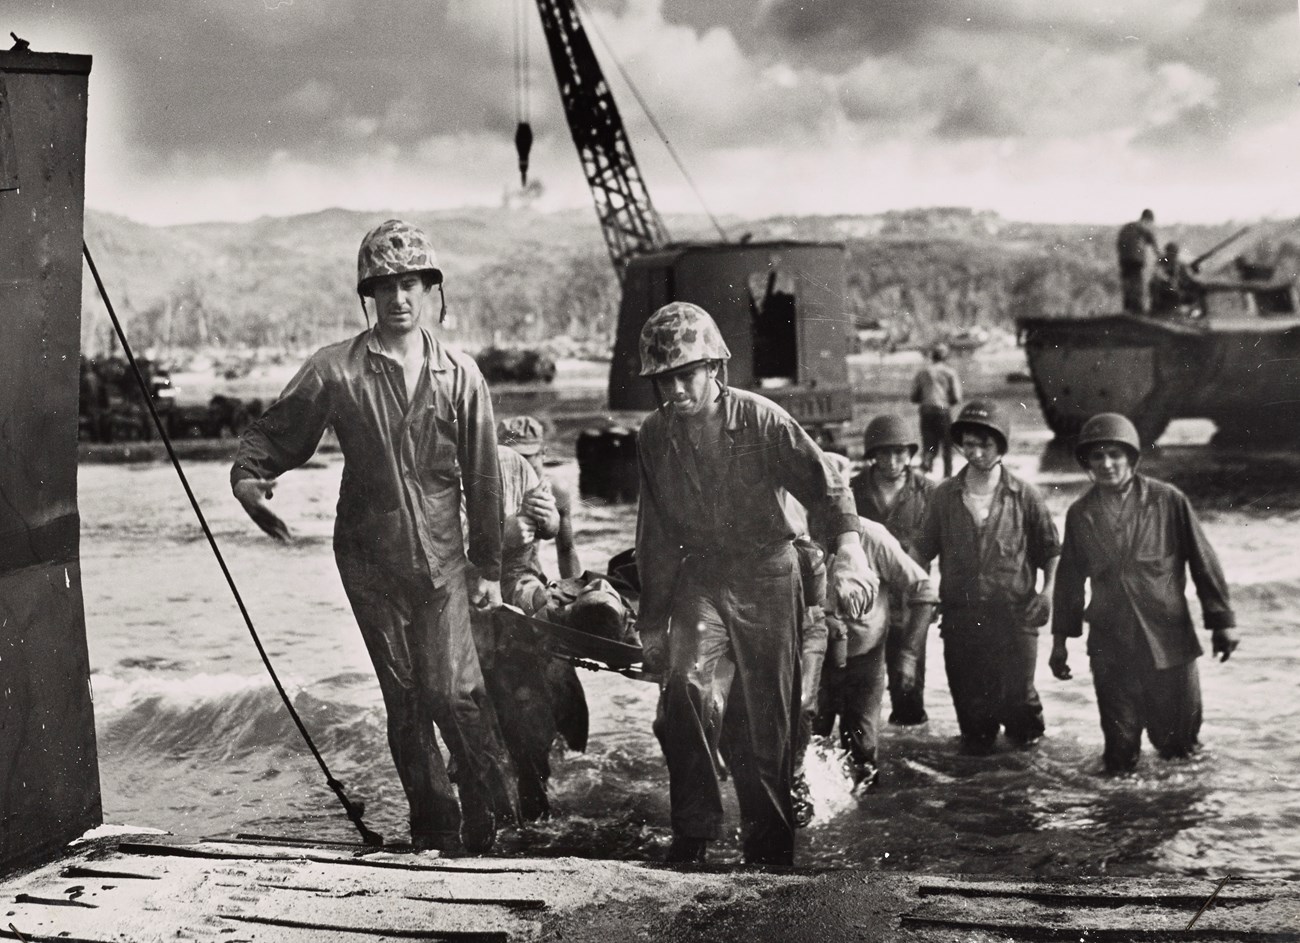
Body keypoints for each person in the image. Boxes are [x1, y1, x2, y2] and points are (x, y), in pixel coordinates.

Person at [231, 219, 517, 854]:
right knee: (407, 701)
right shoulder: (336, 370)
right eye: (384, 286)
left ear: (430, 289)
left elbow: (484, 479)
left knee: (454, 694)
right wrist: (249, 479)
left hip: (443, 561)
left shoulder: (462, 376)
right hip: (368, 562)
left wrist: (490, 568)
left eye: (410, 283)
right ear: (369, 294)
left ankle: (493, 822)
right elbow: (278, 433)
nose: (398, 298)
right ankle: (434, 831)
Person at [635, 301, 877, 866]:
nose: (675, 390)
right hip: (702, 576)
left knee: (769, 720)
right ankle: (694, 835)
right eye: (664, 380)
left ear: (714, 368)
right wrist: (650, 624)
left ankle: (769, 853)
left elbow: (828, 488)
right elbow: (655, 535)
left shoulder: (762, 420)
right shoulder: (654, 435)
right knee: (685, 687)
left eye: (686, 375)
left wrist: (848, 550)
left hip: (769, 574)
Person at [1050, 413, 1239, 773]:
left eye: (1115, 455)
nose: (1107, 464)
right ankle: (1123, 809)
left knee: (1180, 751)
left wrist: (1222, 622)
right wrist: (1060, 641)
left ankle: (1182, 810)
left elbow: (1203, 561)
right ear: (1087, 463)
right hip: (1111, 646)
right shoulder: (1080, 514)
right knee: (1119, 755)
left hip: (1169, 642)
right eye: (1097, 457)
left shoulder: (1168, 501)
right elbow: (1069, 581)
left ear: (1132, 458)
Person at [915, 400, 1060, 755]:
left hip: (1015, 619)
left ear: (1001, 447)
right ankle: (980, 783)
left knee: (1020, 707)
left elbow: (1052, 552)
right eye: (969, 444)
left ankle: (1029, 775)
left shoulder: (1025, 496)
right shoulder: (943, 496)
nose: (976, 453)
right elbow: (920, 552)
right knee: (972, 717)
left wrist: (1048, 594)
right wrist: (924, 592)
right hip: (961, 621)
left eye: (985, 444)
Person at [477, 442, 589, 822]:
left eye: (532, 456)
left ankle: (556, 754)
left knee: (549, 664)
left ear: (542, 456)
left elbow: (566, 550)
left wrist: (575, 604)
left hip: (525, 588)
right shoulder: (482, 478)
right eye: (517, 454)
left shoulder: (547, 488)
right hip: (482, 590)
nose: (526, 463)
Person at [815, 516, 936, 787]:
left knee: (863, 759)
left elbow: (924, 589)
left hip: (864, 660)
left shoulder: (872, 536)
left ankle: (862, 808)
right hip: (811, 661)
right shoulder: (791, 530)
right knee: (804, 748)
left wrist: (908, 656)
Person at [850, 414, 936, 725]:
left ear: (910, 453)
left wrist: (937, 602)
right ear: (872, 455)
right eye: (883, 453)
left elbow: (946, 547)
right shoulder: (852, 490)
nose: (892, 461)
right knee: (856, 696)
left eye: (899, 452)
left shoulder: (929, 493)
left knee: (908, 690)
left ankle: (909, 746)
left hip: (910, 605)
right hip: (864, 607)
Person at [498, 415, 581, 579]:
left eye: (525, 457)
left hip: (526, 576)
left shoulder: (556, 490)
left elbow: (566, 549)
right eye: (510, 457)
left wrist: (575, 588)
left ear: (543, 453)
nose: (517, 465)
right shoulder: (483, 489)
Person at [909, 343, 961, 478]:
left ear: (932, 356)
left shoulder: (922, 372)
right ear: (946, 357)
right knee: (947, 445)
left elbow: (914, 396)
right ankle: (947, 475)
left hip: (926, 410)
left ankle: (925, 471)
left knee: (928, 444)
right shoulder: (950, 372)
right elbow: (956, 397)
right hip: (943, 410)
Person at [1116, 209, 1159, 314]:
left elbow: (1119, 243)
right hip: (1136, 259)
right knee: (1136, 282)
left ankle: (1127, 308)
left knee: (1127, 282)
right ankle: (1137, 309)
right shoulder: (1142, 226)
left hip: (1124, 259)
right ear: (1147, 219)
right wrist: (1159, 255)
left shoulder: (1127, 227)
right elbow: (1152, 239)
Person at [1149, 242, 1202, 316]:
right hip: (1164, 288)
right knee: (1154, 284)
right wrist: (1170, 281)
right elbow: (1159, 274)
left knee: (1197, 287)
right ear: (1166, 252)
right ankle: (1156, 309)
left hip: (1175, 289)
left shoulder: (1179, 265)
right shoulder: (1161, 262)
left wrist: (1194, 271)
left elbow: (1189, 277)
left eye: (1175, 252)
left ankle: (1196, 311)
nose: (1173, 255)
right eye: (1171, 252)